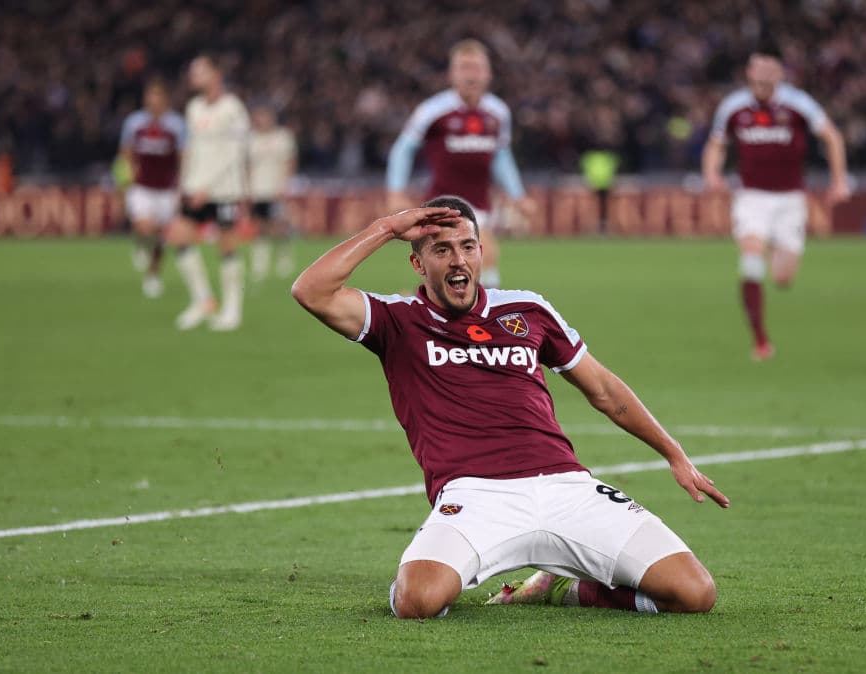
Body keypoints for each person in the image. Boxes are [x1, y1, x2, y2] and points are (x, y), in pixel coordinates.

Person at [291, 195, 730, 619]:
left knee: (694, 593)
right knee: (417, 602)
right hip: (475, 496)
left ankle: (564, 588)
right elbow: (311, 291)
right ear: (418, 264)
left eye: (467, 247)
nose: (458, 261)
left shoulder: (526, 309)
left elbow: (604, 390)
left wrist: (674, 454)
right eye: (441, 250)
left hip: (567, 489)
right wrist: (387, 228)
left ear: (481, 252)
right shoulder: (395, 320)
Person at [702, 42, 850, 361]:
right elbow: (716, 144)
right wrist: (712, 173)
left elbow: (832, 136)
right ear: (749, 73)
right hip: (751, 197)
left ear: (779, 73)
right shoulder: (734, 107)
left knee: (783, 278)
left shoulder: (798, 104)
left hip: (790, 200)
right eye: (757, 69)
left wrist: (839, 180)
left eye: (769, 69)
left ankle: (766, 245)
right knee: (751, 259)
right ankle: (761, 340)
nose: (762, 76)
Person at [386, 39, 534, 289]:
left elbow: (501, 156)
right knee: (481, 256)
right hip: (443, 203)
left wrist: (517, 194)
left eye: (476, 68)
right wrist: (395, 190)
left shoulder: (498, 112)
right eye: (464, 68)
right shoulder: (433, 110)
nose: (470, 74)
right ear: (452, 74)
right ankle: (482, 313)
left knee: (461, 269)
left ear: (488, 74)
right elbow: (403, 148)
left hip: (481, 202)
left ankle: (417, 306)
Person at [168, 54, 250, 331]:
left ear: (216, 74)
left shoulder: (233, 108)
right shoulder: (194, 108)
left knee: (226, 247)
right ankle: (203, 300)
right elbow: (192, 150)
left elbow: (235, 153)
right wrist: (186, 184)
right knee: (179, 237)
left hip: (224, 189)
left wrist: (208, 186)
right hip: (196, 188)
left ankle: (232, 309)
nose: (194, 77)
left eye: (199, 71)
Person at [118, 79, 186, 298]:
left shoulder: (176, 125)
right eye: (150, 96)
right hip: (142, 187)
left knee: (161, 236)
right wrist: (125, 177)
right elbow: (126, 152)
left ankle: (153, 274)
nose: (153, 101)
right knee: (143, 226)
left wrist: (182, 184)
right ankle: (140, 242)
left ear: (164, 99)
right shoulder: (134, 122)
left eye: (157, 96)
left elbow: (183, 157)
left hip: (166, 189)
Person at [247, 103, 298, 282]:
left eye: (265, 115)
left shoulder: (283, 137)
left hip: (276, 188)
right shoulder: (251, 139)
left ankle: (284, 258)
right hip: (258, 189)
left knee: (279, 225)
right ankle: (260, 263)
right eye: (259, 116)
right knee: (260, 226)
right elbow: (248, 166)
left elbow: (290, 162)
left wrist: (285, 184)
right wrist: (247, 188)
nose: (262, 120)